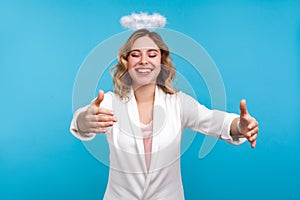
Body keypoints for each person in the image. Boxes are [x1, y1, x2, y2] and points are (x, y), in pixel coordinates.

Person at [70, 29, 259, 200]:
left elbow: (217, 122)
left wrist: (240, 126)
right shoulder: (111, 102)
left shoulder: (178, 102)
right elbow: (81, 119)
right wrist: (85, 120)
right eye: (136, 55)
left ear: (161, 61)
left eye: (152, 54)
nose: (144, 60)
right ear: (126, 62)